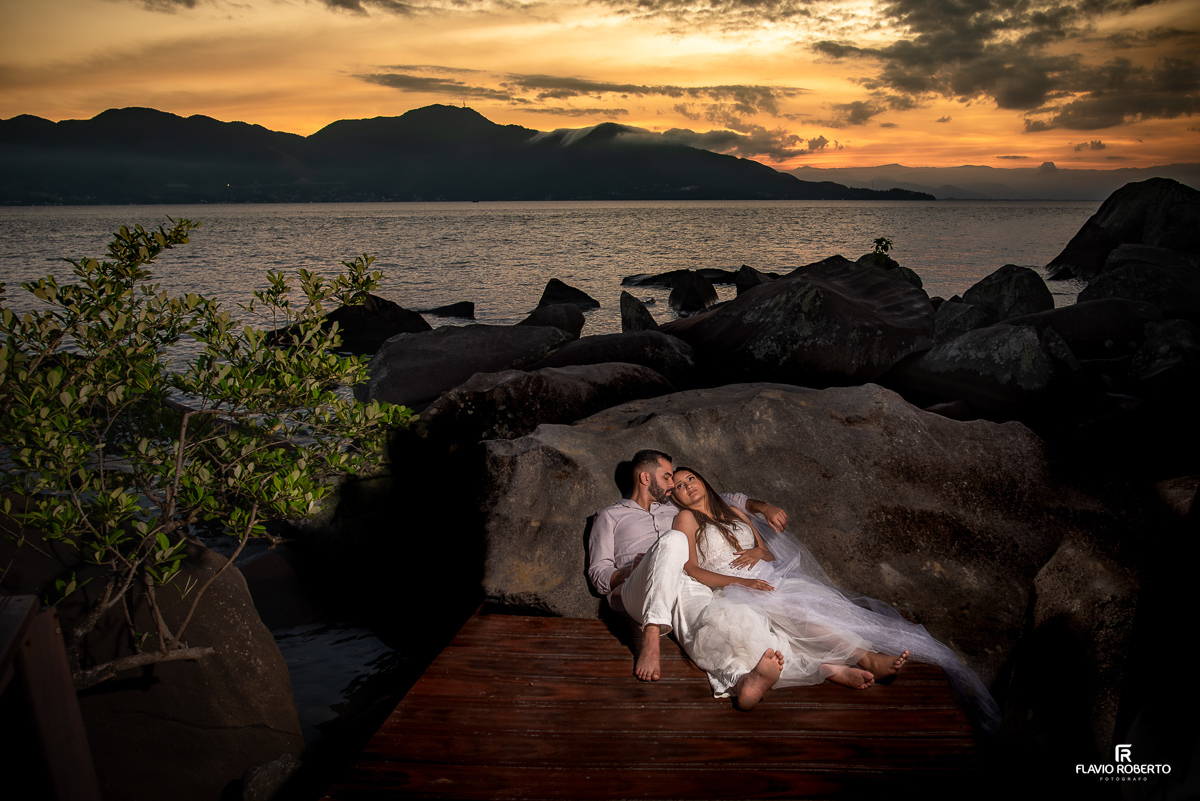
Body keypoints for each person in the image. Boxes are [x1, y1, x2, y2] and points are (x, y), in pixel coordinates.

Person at [669, 466, 1001, 731]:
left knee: (807, 606)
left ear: (704, 481)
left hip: (768, 578)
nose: (688, 487)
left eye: (691, 478)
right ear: (678, 498)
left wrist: (758, 549)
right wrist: (740, 582)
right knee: (775, 619)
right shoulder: (686, 519)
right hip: (734, 584)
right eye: (680, 486)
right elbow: (692, 569)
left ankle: (857, 658)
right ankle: (855, 660)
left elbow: (768, 555)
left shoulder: (734, 512)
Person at [586, 449, 787, 682]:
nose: (673, 484)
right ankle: (651, 636)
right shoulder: (610, 516)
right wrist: (627, 571)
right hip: (638, 588)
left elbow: (726, 500)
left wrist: (764, 507)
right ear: (645, 478)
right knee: (675, 539)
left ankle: (740, 679)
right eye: (667, 477)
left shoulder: (677, 508)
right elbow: (598, 573)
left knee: (704, 626)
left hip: (684, 583)